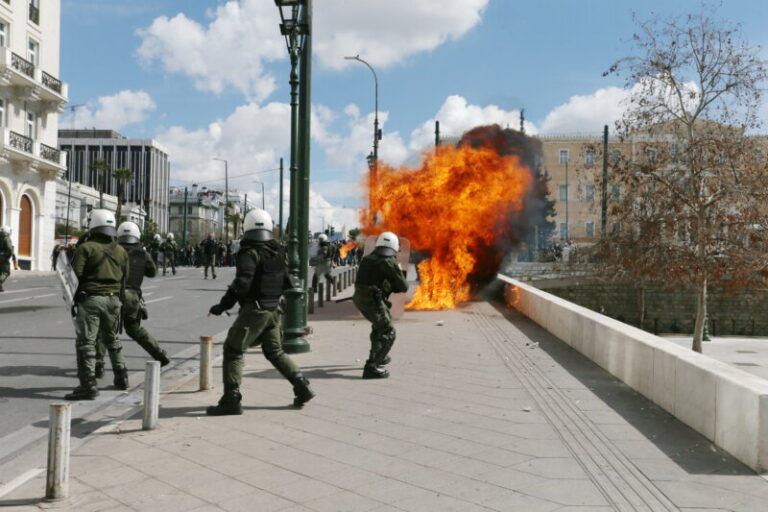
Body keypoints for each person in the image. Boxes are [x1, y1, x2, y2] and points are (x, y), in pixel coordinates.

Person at [206, 209, 314, 415]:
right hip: (274, 310)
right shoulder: (277, 252)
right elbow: (287, 281)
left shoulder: (249, 252)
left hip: (256, 310)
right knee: (275, 351)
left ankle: (231, 399)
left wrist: (222, 306)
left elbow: (242, 283)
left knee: (233, 349)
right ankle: (301, 384)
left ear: (246, 227)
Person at [65, 209, 129, 400]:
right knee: (112, 339)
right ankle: (122, 377)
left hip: (92, 299)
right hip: (114, 300)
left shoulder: (86, 248)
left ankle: (88, 385)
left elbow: (75, 274)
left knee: (86, 343)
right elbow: (125, 276)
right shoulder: (121, 250)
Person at [352, 231, 409, 379]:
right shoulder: (388, 262)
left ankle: (379, 356)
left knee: (378, 326)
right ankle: (372, 367)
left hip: (360, 299)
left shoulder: (368, 258)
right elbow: (403, 286)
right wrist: (398, 269)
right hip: (373, 300)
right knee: (388, 331)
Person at [117, 222, 171, 366]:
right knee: (134, 329)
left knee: (106, 330)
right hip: (133, 297)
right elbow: (152, 272)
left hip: (113, 295)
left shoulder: (113, 250)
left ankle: (98, 365)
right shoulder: (142, 253)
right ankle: (159, 353)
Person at [0, 226, 17, 292]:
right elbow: (9, 248)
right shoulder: (6, 238)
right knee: (6, 272)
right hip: (3, 257)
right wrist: (11, 255)